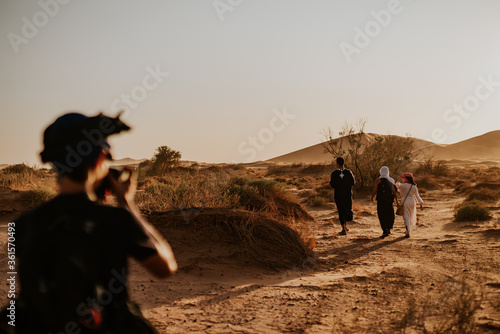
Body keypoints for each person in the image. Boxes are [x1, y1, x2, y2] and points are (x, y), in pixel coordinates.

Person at [0, 112, 177, 333]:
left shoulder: (23, 224)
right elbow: (166, 268)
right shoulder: (115, 221)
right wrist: (127, 204)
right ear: (100, 158)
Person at [370, 166, 399, 238]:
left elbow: (375, 190)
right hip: (389, 200)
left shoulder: (378, 180)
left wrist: (372, 196)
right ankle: (388, 228)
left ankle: (384, 230)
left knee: (382, 214)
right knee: (389, 214)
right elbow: (394, 191)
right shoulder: (391, 180)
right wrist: (396, 200)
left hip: (381, 200)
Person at [329, 157, 355, 235]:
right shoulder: (349, 172)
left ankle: (343, 228)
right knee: (347, 209)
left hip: (338, 194)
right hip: (347, 194)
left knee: (340, 210)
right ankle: (345, 226)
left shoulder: (334, 173)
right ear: (343, 163)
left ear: (337, 163)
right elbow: (353, 182)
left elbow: (332, 185)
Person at [397, 172, 423, 238]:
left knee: (406, 216)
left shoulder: (403, 185)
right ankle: (409, 229)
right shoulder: (414, 186)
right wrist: (420, 203)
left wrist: (398, 180)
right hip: (412, 201)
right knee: (411, 216)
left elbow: (396, 186)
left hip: (405, 201)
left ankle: (408, 231)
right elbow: (417, 196)